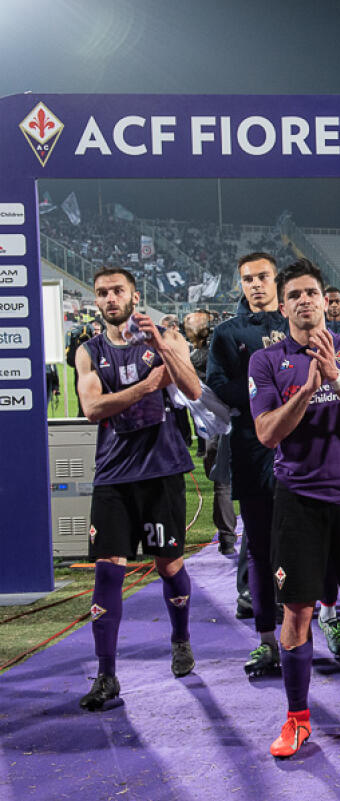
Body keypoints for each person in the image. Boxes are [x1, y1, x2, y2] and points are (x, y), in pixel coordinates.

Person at [248, 259, 340, 757]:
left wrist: (335, 378)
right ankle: (296, 719)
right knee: (298, 612)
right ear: (283, 303)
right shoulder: (267, 361)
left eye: (311, 292)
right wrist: (308, 391)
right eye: (294, 295)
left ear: (326, 299)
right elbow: (267, 432)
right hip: (300, 504)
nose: (305, 301)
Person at [209, 253, 340, 673]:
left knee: (322, 543)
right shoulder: (227, 334)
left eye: (263, 277)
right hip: (255, 452)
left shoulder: (308, 327)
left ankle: (328, 616)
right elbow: (218, 387)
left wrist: (272, 385)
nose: (255, 285)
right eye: (248, 279)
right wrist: (263, 389)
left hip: (310, 452)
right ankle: (268, 639)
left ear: (277, 283)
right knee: (260, 547)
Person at [76, 266, 203, 710]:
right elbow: (92, 407)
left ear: (135, 295)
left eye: (118, 291)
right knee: (108, 569)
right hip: (113, 476)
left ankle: (181, 638)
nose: (110, 298)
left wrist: (163, 347)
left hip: (161, 470)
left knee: (168, 564)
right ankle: (106, 674)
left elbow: (193, 387)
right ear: (96, 301)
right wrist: (147, 386)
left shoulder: (164, 337)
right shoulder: (88, 352)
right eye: (102, 292)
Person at [185, 310, 237, 556]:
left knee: (221, 481)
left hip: (218, 423)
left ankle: (227, 537)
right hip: (230, 418)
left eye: (188, 325)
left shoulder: (197, 357)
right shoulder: (226, 349)